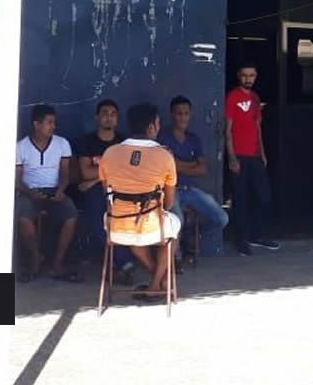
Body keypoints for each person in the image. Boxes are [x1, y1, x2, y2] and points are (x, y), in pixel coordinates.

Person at [99, 103, 181, 300]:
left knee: (132, 231)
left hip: (117, 228)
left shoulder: (110, 153)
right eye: (158, 123)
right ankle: (157, 283)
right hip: (152, 228)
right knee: (173, 229)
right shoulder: (164, 156)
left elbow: (107, 192)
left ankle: (158, 281)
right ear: (151, 127)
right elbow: (169, 203)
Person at [158, 95, 230, 263]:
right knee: (177, 220)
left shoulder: (193, 139)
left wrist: (177, 164)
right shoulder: (163, 137)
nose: (183, 117)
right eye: (179, 113)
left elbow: (202, 169)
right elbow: (168, 167)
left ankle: (191, 236)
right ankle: (176, 258)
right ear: (172, 114)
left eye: (186, 113)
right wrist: (191, 164)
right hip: (171, 190)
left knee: (221, 218)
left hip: (190, 190)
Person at [15, 104, 80, 283]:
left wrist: (61, 190)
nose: (53, 126)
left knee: (71, 215)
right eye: (49, 122)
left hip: (54, 190)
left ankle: (57, 264)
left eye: (54, 123)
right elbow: (17, 180)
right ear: (36, 124)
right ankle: (35, 258)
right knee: (23, 218)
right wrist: (30, 193)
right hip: (29, 191)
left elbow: (65, 173)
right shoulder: (20, 147)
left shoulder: (62, 143)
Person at [72, 99, 135, 281]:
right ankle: (124, 262)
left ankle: (121, 263)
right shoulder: (87, 142)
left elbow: (127, 172)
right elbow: (85, 172)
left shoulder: (124, 143)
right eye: (105, 114)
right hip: (96, 192)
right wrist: (108, 174)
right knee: (97, 218)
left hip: (119, 189)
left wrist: (95, 179)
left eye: (113, 114)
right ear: (97, 117)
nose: (109, 117)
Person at [225, 63, 279, 256]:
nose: (248, 79)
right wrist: (232, 156)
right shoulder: (232, 97)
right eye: (245, 75)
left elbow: (258, 128)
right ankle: (241, 240)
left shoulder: (255, 98)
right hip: (239, 155)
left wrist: (262, 153)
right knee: (241, 199)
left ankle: (258, 236)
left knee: (263, 197)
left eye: (252, 75)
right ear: (239, 75)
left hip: (255, 156)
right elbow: (227, 129)